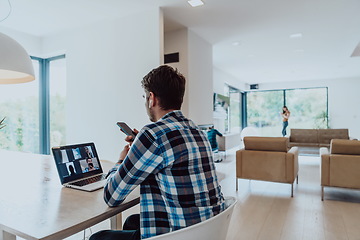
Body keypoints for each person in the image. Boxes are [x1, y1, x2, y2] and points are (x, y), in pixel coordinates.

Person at [90, 65, 225, 240]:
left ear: (151, 98)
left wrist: (121, 161)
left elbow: (111, 196)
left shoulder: (153, 135)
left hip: (180, 234)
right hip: (207, 228)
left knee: (98, 238)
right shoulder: (197, 131)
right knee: (132, 221)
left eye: (145, 97)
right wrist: (141, 146)